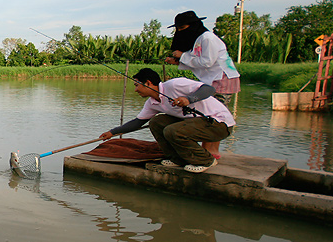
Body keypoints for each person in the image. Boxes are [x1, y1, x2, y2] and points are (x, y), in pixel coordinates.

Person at [99, 68, 235, 172]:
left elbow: (209, 89)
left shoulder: (175, 84)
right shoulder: (152, 103)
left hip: (219, 124)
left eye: (136, 85)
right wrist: (112, 132)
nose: (135, 90)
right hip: (195, 125)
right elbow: (138, 122)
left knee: (173, 130)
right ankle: (178, 159)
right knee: (156, 122)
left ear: (148, 83)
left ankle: (205, 160)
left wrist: (188, 99)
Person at [164, 11, 240, 157]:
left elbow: (207, 61)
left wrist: (183, 56)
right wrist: (179, 61)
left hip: (221, 78)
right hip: (211, 79)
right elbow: (198, 61)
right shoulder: (198, 39)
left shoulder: (207, 38)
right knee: (207, 113)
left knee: (216, 114)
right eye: (178, 29)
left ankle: (212, 151)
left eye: (182, 28)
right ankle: (207, 149)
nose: (180, 31)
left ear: (192, 25)